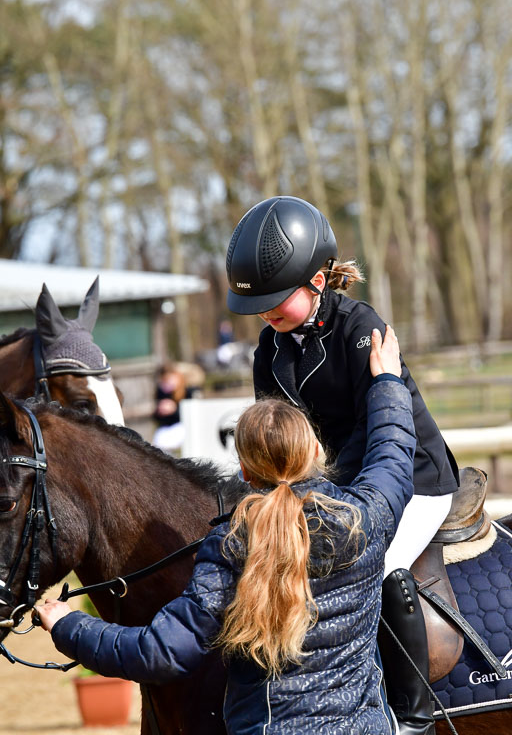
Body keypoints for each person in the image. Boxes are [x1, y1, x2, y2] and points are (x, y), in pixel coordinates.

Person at [37, 327, 415, 735]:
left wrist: (68, 625)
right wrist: (387, 383)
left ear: (246, 472)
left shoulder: (233, 545)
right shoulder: (366, 517)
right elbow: (393, 454)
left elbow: (161, 652)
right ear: (318, 451)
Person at [226, 195, 459, 734]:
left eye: (275, 299)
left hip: (412, 476)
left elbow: (368, 427)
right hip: (331, 487)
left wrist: (320, 487)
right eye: (258, 304)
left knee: (377, 566)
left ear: (316, 280)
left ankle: (411, 713)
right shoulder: (270, 350)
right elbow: (275, 434)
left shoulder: (362, 327)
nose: (266, 313)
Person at [151, 362, 186, 453]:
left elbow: (189, 416)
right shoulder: (161, 393)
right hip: (165, 429)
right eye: (165, 380)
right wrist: (160, 411)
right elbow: (156, 418)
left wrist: (174, 410)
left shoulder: (186, 392)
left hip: (180, 427)